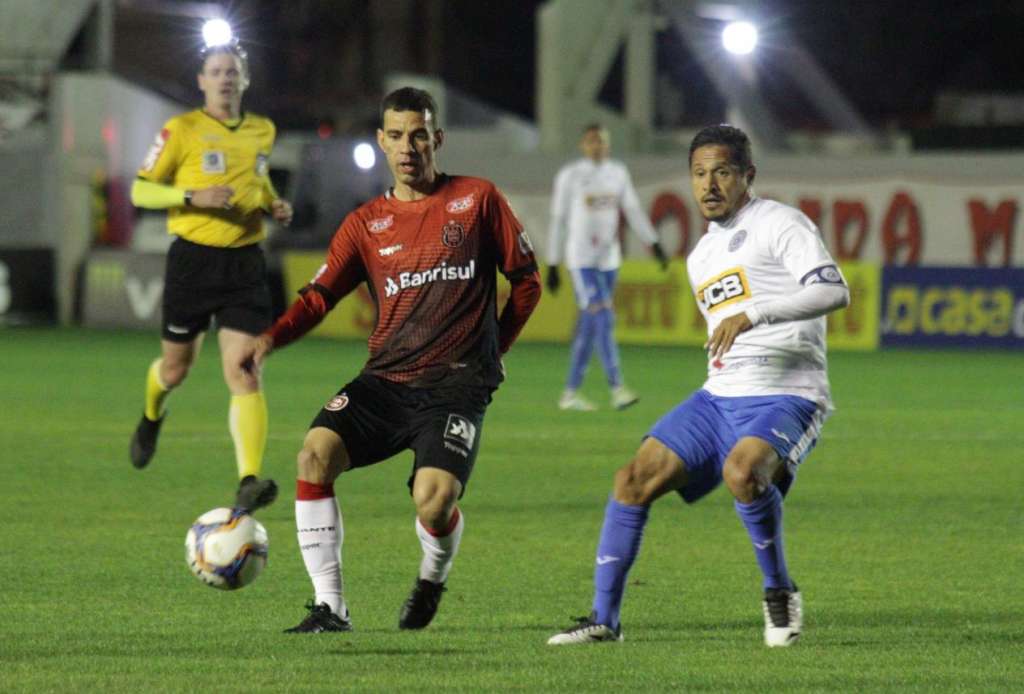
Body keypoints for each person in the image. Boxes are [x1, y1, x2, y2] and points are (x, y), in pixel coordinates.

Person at [239, 87, 541, 633]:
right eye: (397, 136)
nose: (408, 147)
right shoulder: (365, 224)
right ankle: (330, 607)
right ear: (381, 141)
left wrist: (494, 350)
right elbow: (318, 298)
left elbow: (527, 283)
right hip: (386, 380)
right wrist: (269, 340)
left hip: (455, 385)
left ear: (437, 139)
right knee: (314, 456)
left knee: (433, 500)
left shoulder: (477, 199)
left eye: (419, 135)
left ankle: (433, 574)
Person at [548, 124, 850, 648]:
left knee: (742, 473)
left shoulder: (781, 222)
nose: (709, 185)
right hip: (719, 396)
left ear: (747, 175)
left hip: (789, 391)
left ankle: (779, 592)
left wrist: (754, 314)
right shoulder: (701, 257)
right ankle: (604, 620)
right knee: (631, 480)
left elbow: (834, 291)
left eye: (722, 172)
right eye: (699, 173)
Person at [128, 37, 292, 514]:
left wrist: (271, 202)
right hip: (194, 262)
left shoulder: (263, 129)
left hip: (245, 263)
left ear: (245, 79)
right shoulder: (180, 130)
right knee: (175, 369)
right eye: (216, 71)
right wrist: (190, 197)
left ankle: (248, 479)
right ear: (201, 81)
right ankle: (151, 414)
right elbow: (141, 190)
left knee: (245, 369)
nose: (225, 79)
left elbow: (257, 178)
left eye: (232, 71)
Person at [546, 124, 669, 412]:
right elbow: (558, 219)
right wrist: (552, 262)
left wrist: (653, 242)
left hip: (609, 259)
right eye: (591, 141)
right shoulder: (570, 175)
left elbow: (633, 210)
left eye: (601, 141)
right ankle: (617, 388)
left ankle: (570, 393)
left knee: (589, 327)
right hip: (581, 259)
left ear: (608, 144)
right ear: (582, 145)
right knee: (604, 316)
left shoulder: (618, 173)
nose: (597, 146)